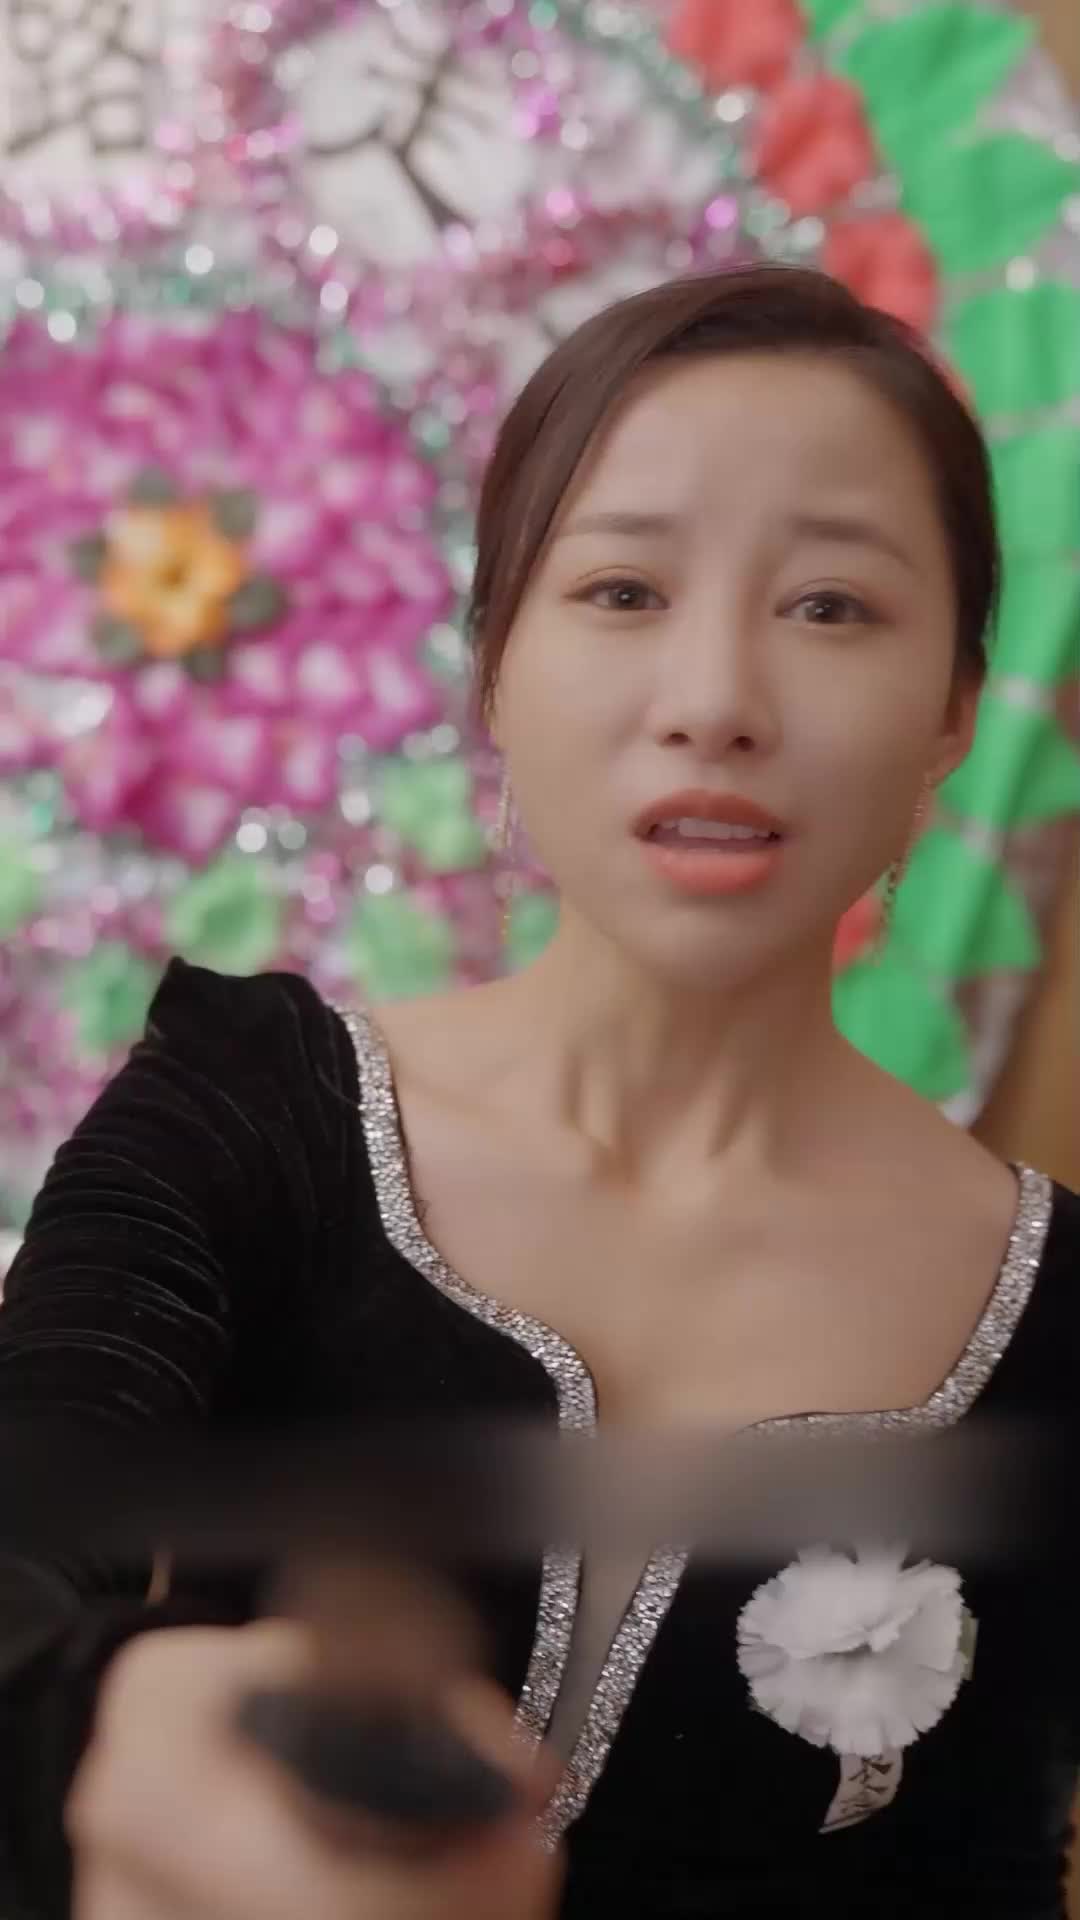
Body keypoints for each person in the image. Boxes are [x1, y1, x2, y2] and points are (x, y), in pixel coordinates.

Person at [0, 263, 1077, 1920]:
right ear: (495, 662)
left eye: (830, 607)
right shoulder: (248, 1110)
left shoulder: (1057, 1312)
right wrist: (107, 1726)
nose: (715, 705)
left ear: (952, 709)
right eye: (624, 590)